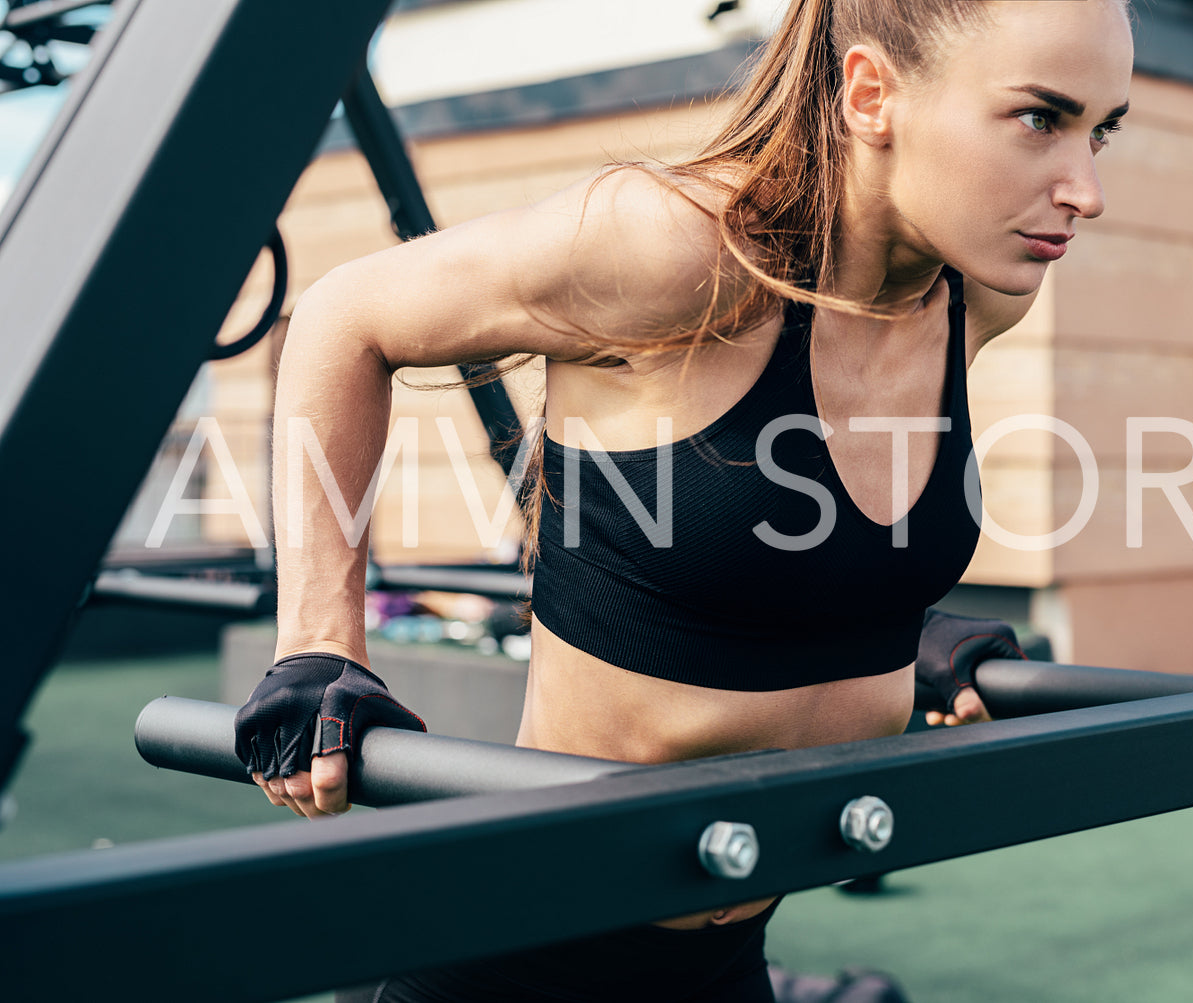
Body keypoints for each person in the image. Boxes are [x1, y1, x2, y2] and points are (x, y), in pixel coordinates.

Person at [233, 0, 1134, 999]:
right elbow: (341, 319)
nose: (1084, 190)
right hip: (525, 943)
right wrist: (318, 643)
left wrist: (886, 623)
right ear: (872, 95)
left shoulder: (982, 290)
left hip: (726, 945)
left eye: (1101, 129)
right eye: (1038, 119)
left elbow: (781, 503)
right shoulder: (677, 248)